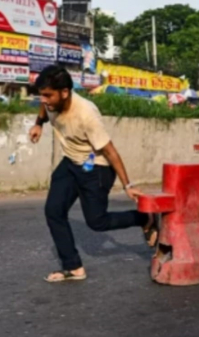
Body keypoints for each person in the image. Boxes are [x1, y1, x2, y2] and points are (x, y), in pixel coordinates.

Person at [28, 65, 158, 283]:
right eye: (42, 95)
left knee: (97, 222)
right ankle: (73, 267)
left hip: (95, 166)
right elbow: (45, 108)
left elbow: (110, 151)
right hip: (71, 162)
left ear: (65, 92)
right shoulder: (51, 101)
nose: (44, 101)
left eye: (48, 95)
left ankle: (144, 218)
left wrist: (127, 185)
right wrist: (38, 124)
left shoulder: (86, 114)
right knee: (53, 211)